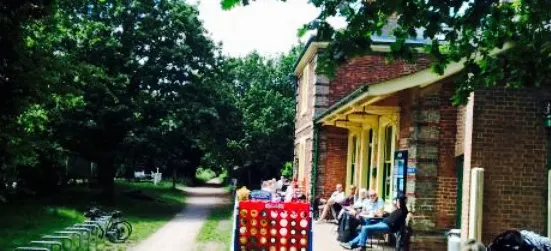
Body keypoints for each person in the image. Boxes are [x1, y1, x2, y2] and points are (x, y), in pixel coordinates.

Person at [340, 195, 409, 251]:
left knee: (365, 228)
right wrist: (384, 214)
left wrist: (400, 199)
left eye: (397, 201)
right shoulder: (398, 210)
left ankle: (362, 247)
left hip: (388, 226)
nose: (396, 203)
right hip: (383, 223)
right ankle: (351, 243)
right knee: (366, 229)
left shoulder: (403, 210)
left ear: (400, 202)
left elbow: (398, 213)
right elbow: (392, 216)